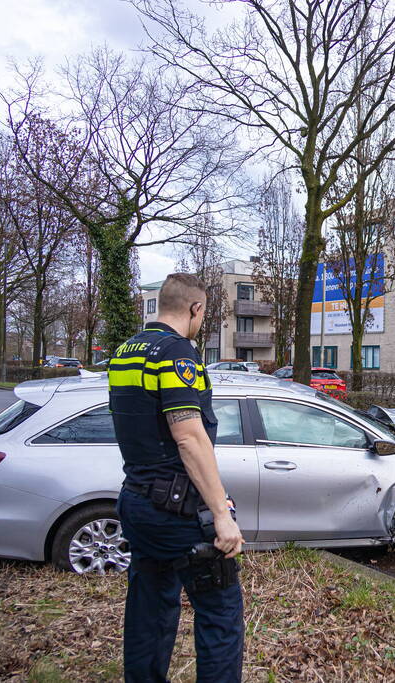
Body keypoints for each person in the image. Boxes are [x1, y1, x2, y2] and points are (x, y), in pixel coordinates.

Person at [109, 273, 245, 682]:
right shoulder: (177, 355)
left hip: (137, 501)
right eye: (203, 313)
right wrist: (221, 513)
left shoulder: (126, 352)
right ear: (195, 309)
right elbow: (188, 436)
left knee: (149, 609)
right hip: (178, 512)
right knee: (221, 615)